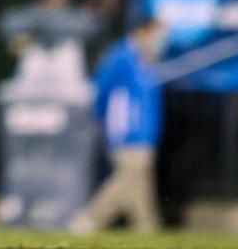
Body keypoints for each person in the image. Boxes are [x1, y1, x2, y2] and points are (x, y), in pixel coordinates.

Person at [69, 19, 166, 234]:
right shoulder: (122, 55)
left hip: (144, 131)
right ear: (143, 31)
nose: (162, 39)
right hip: (127, 131)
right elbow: (101, 89)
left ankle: (147, 229)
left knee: (140, 183)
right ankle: (89, 218)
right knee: (129, 176)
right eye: (159, 33)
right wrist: (100, 117)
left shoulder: (147, 59)